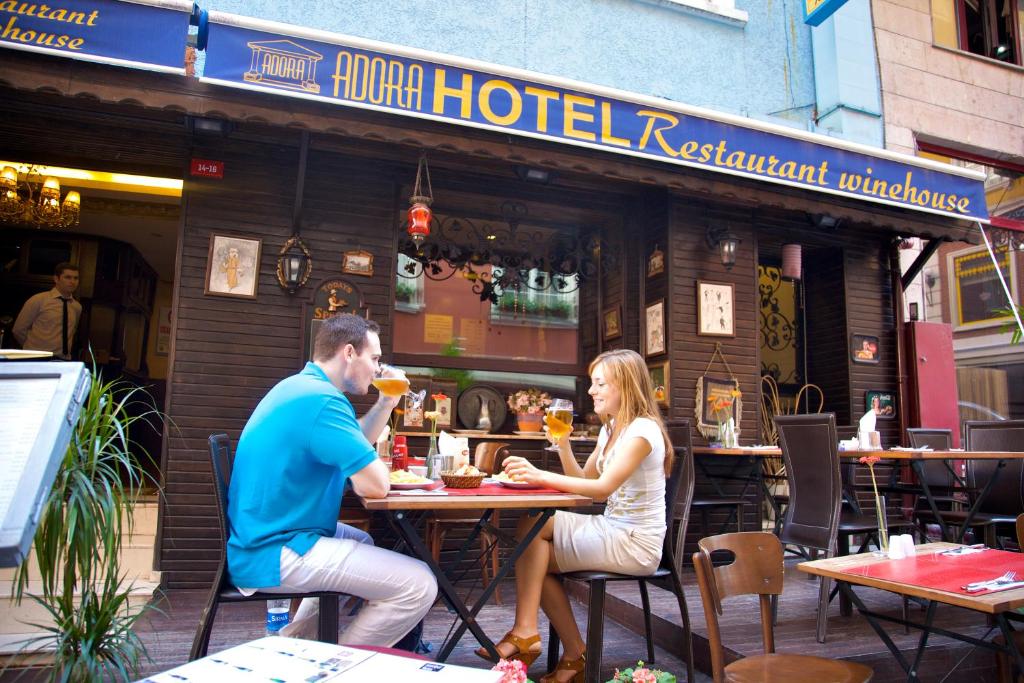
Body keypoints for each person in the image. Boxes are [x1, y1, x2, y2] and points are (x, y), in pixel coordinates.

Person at [226, 313, 437, 646]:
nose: (378, 369)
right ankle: (335, 669)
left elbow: (357, 443)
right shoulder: (323, 401)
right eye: (376, 358)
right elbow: (375, 485)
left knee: (363, 542)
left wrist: (386, 402)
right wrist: (375, 468)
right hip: (273, 549)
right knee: (419, 584)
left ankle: (295, 645)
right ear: (349, 353)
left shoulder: (303, 388)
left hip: (266, 536)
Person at [478, 349, 673, 683]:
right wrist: (564, 446)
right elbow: (584, 484)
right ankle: (570, 654)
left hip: (636, 541)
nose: (591, 391)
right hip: (613, 529)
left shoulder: (643, 431)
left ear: (624, 387)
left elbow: (600, 489)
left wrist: (539, 475)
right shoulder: (610, 430)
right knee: (535, 545)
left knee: (533, 528)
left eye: (599, 383)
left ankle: (527, 634)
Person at [12, 262, 81, 360]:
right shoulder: (38, 300)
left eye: (76, 278)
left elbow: (72, 331)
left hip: (63, 359)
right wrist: (32, 348)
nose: (72, 281)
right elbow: (18, 330)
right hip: (36, 357)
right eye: (68, 277)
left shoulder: (76, 307)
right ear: (56, 279)